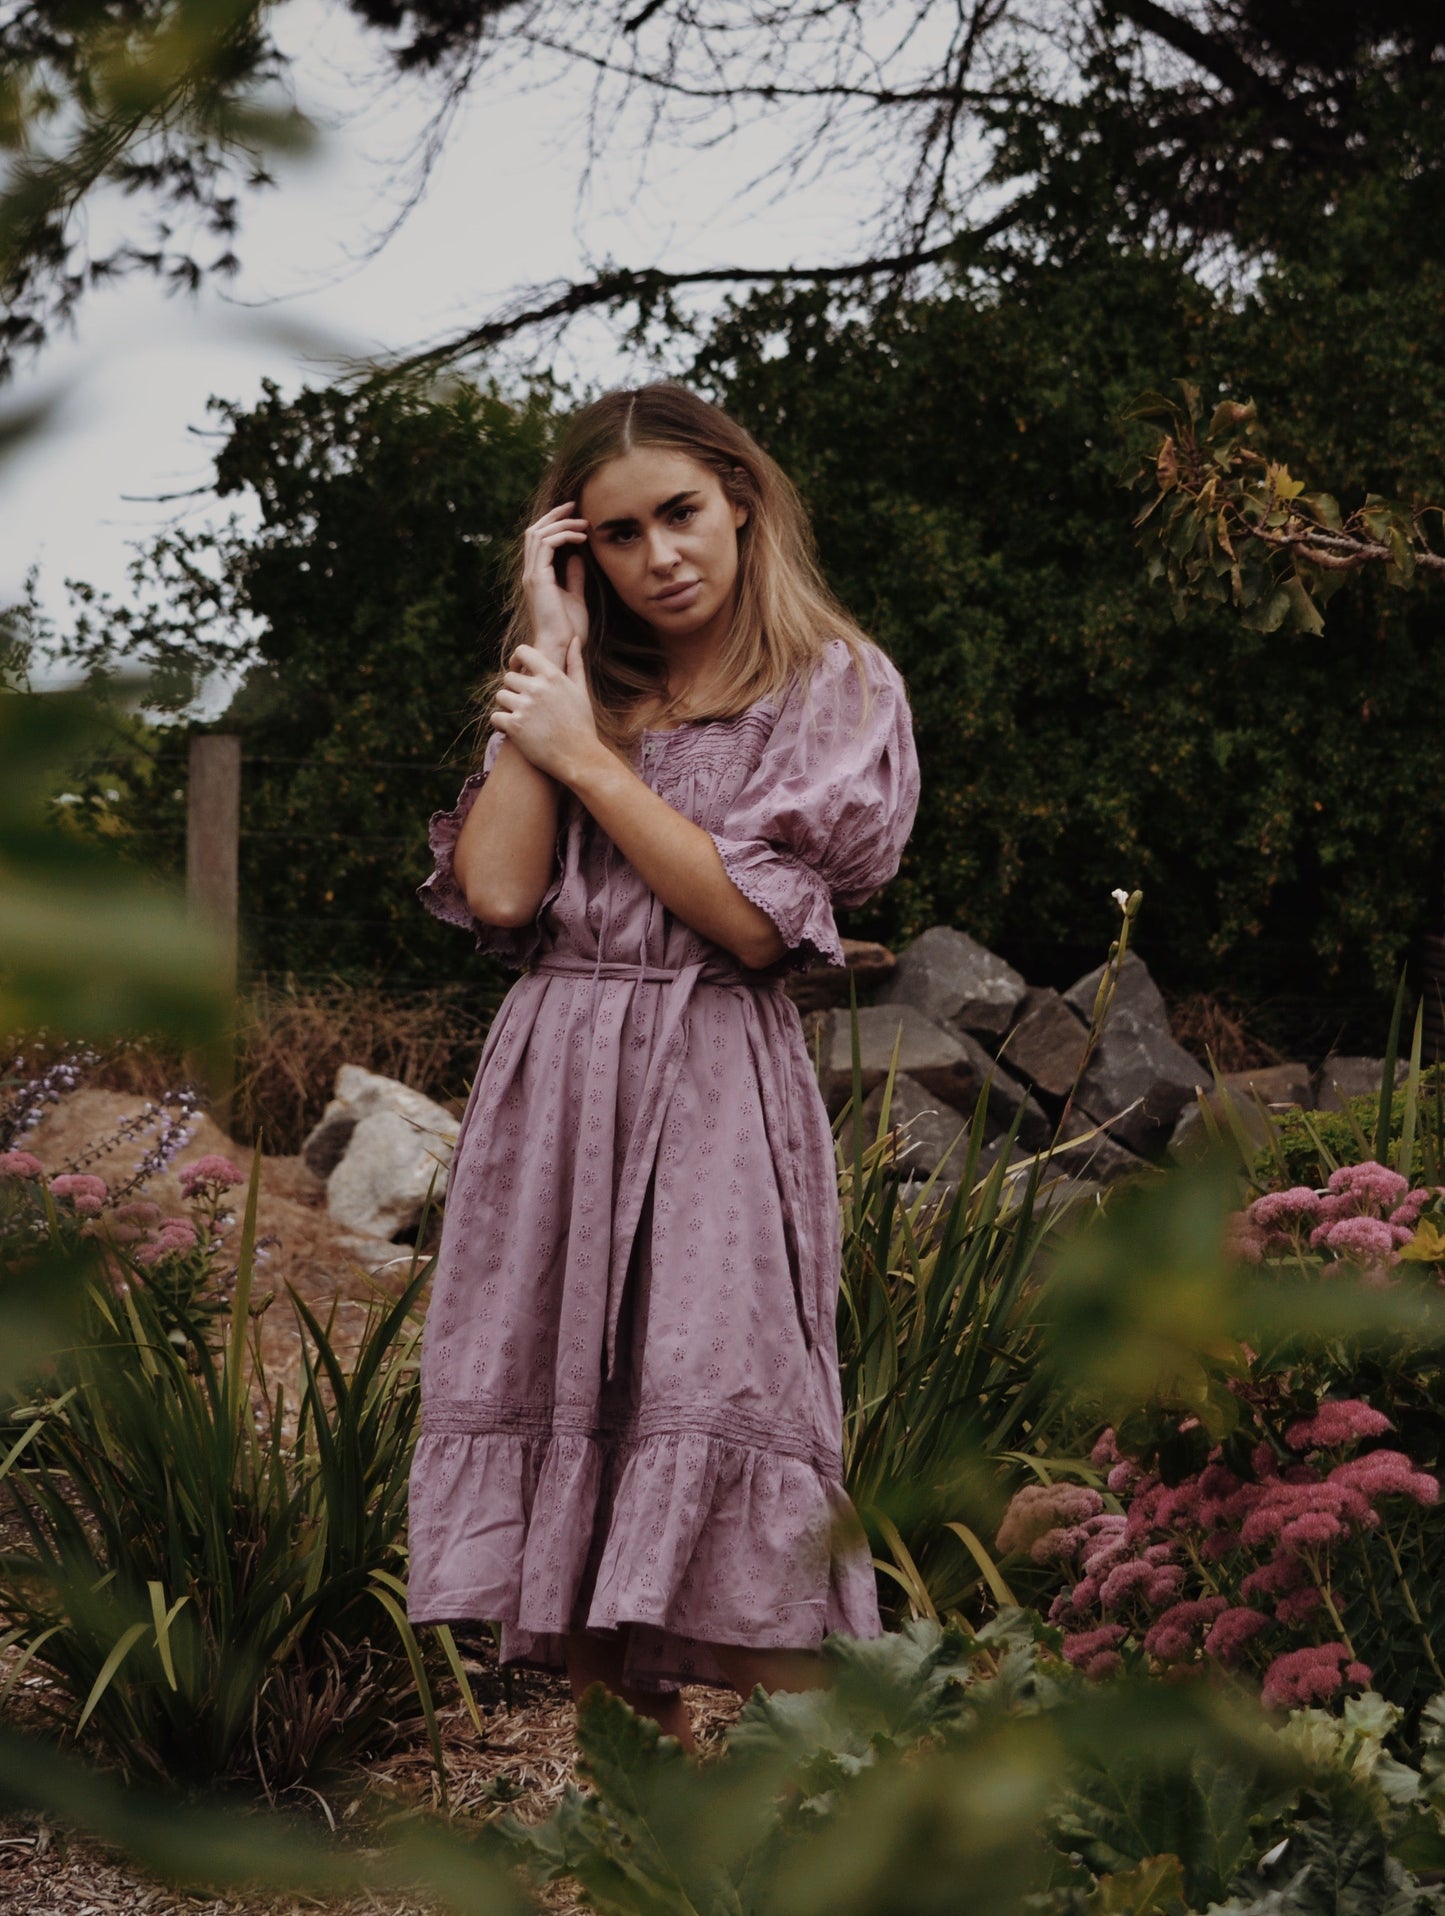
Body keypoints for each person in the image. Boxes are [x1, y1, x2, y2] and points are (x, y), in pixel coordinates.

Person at [406, 382, 921, 1749]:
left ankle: (836, 1816)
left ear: (738, 500)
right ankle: (628, 1822)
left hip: (708, 1070)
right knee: (571, 1404)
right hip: (555, 1075)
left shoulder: (834, 686)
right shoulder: (574, 688)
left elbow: (750, 920)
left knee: (729, 1388)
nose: (660, 558)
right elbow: (505, 894)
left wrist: (594, 765)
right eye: (619, 536)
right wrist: (552, 662)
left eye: (679, 515)